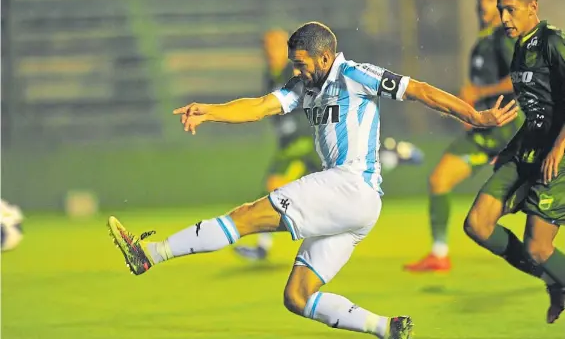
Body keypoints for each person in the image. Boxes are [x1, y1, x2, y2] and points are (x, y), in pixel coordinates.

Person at [108, 21, 517, 338]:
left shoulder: (354, 74)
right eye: (294, 64)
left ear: (325, 59)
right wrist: (210, 111)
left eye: (302, 63)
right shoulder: (305, 87)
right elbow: (260, 106)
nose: (297, 71)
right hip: (358, 207)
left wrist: (476, 116)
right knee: (297, 297)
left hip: (349, 185)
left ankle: (152, 254)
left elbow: (420, 90)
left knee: (247, 216)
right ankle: (385, 327)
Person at [234, 29, 424, 261]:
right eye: (265, 45)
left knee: (286, 181)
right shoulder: (270, 74)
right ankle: (392, 155)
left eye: (273, 45)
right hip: (291, 144)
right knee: (323, 178)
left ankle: (391, 152)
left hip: (305, 140)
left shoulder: (293, 70)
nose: (268, 50)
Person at [462, 0, 565, 324]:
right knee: (477, 224)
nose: (504, 17)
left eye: (511, 9)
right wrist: (510, 149)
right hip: (526, 152)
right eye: (500, 9)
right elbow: (537, 112)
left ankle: (556, 276)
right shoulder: (520, 47)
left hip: (558, 156)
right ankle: (552, 279)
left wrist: (557, 149)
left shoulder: (553, 42)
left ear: (532, 7)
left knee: (538, 247)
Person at [404, 0, 524, 273]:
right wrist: (470, 113)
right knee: (439, 180)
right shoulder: (481, 44)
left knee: (533, 199)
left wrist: (479, 93)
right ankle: (439, 253)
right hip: (485, 132)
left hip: (508, 130)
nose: (481, 4)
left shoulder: (503, 39)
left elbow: (519, 78)